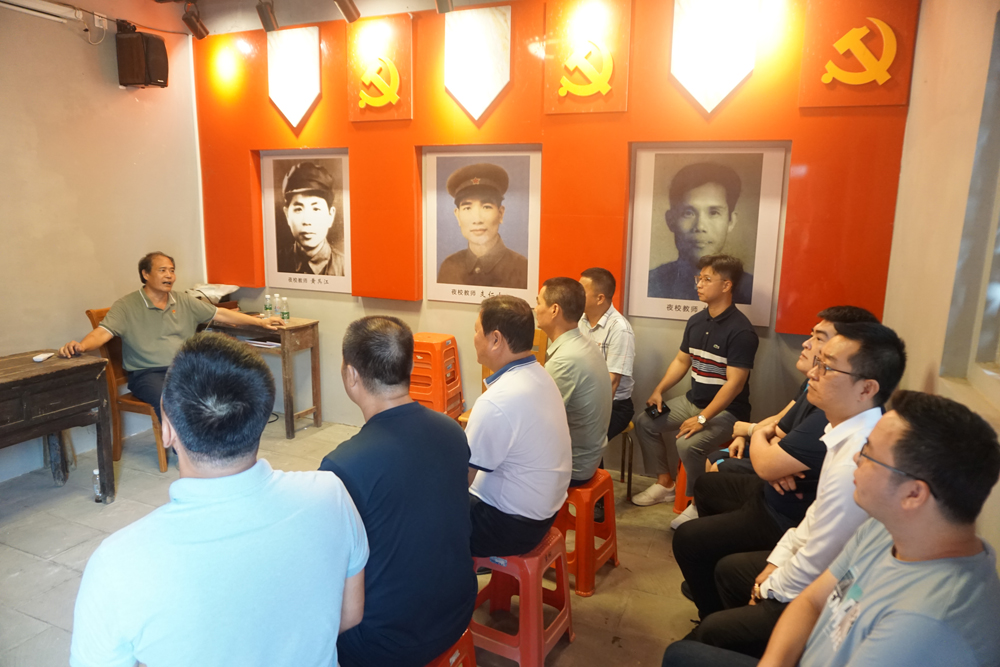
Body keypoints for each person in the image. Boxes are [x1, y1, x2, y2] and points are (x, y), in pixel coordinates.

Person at [70, 333, 368, 667]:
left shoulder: (117, 563)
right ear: (261, 419)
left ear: (167, 429)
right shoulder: (330, 495)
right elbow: (350, 614)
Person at [662, 390, 1000, 667]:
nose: (855, 459)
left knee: (684, 655)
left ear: (914, 494)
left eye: (868, 454)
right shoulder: (885, 529)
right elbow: (811, 601)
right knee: (686, 651)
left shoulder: (924, 626)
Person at [675, 320, 905, 658]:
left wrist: (768, 588)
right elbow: (814, 518)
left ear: (866, 388)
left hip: (816, 588)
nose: (813, 372)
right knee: (723, 562)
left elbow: (822, 556)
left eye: (827, 367)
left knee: (691, 643)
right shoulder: (838, 426)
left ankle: (722, 638)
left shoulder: (856, 459)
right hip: (795, 537)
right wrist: (776, 562)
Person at [319, 317, 476, 667]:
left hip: (387, 643)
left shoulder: (343, 466)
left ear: (351, 375)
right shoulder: (452, 431)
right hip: (458, 610)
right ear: (409, 368)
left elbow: (328, 571)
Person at [58, 251, 283, 421]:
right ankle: (187, 453)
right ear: (145, 274)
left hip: (184, 369)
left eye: (172, 270)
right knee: (171, 401)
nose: (169, 275)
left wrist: (260, 322)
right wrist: (81, 346)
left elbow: (220, 314)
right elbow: (102, 333)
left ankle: (218, 446)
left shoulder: (183, 300)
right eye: (162, 270)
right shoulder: (126, 305)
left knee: (225, 388)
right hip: (148, 374)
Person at [632, 255, 759, 529]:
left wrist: (703, 418)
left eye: (706, 279)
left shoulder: (741, 331)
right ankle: (665, 484)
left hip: (727, 412)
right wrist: (659, 390)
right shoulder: (696, 320)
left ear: (726, 285)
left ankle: (699, 503)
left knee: (688, 444)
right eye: (698, 278)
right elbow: (682, 361)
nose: (699, 284)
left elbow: (735, 384)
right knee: (644, 421)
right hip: (692, 402)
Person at [708, 306, 877, 477]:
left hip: (788, 470)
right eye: (812, 335)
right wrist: (750, 435)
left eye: (819, 338)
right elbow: (780, 423)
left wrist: (751, 431)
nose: (806, 343)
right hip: (778, 452)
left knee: (717, 470)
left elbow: (772, 458)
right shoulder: (812, 381)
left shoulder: (833, 404)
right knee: (714, 459)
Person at [466, 295, 572, 556]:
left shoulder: (497, 401)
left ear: (496, 339)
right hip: (543, 515)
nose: (474, 338)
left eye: (477, 331)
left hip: (508, 527)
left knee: (418, 510)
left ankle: (454, 578)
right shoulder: (541, 375)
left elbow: (460, 479)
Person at [536, 277, 613, 486]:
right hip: (589, 456)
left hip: (574, 466)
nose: (535, 309)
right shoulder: (584, 343)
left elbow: (540, 424)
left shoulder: (564, 361)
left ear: (554, 310)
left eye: (538, 302)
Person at [648, 162, 754, 304]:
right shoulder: (651, 283)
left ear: (731, 221)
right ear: (671, 220)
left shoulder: (749, 289)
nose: (700, 226)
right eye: (688, 213)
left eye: (714, 213)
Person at [437, 163, 528, 289]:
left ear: (500, 213)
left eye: (486, 207)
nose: (477, 219)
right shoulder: (449, 267)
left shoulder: (522, 268)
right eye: (467, 208)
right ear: (457, 216)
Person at [580, 267, 636, 442]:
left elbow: (613, 382)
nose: (576, 295)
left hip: (613, 405)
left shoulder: (620, 329)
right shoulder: (579, 320)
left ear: (600, 298)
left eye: (582, 291)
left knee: (583, 440)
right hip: (583, 398)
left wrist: (591, 415)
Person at [276, 161, 345, 276]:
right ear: (287, 215)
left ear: (331, 215)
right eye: (299, 209)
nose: (307, 221)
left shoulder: (346, 267)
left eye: (316, 209)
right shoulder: (275, 262)